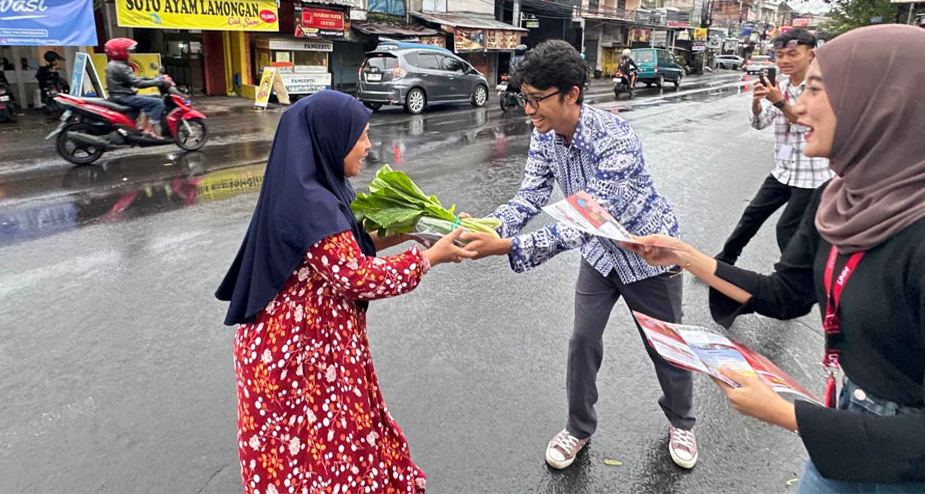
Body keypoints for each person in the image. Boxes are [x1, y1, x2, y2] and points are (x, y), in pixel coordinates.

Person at [623, 24, 925, 492]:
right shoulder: (842, 200)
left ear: (886, 107)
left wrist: (786, 414)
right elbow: (785, 295)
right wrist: (687, 256)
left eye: (817, 90)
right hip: (849, 431)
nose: (797, 107)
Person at [214, 90, 474, 494]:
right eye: (362, 136)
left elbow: (350, 245)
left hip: (313, 344)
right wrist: (428, 259)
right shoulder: (311, 203)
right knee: (313, 452)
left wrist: (414, 230)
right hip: (298, 357)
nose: (368, 147)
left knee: (332, 441)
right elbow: (357, 275)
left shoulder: (316, 188)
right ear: (331, 138)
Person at [461, 40, 697, 471]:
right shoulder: (544, 136)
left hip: (650, 256)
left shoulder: (615, 138)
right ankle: (578, 427)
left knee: (666, 346)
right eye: (524, 99)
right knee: (582, 340)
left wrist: (512, 246)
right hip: (600, 256)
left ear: (571, 94)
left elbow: (588, 219)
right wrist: (488, 226)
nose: (529, 111)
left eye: (536, 100)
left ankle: (682, 421)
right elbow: (530, 194)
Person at [715, 28, 831, 269]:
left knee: (787, 228)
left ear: (811, 54)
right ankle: (724, 262)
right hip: (784, 169)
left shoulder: (821, 88)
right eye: (779, 55)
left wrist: (779, 101)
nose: (784, 61)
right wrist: (757, 102)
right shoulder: (783, 85)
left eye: (792, 54)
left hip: (811, 176)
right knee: (751, 216)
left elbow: (806, 126)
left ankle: (798, 278)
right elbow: (760, 123)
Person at [103, 38, 165, 136]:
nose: (129, 53)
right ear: (120, 52)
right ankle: (149, 130)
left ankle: (142, 126)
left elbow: (131, 79)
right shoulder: (121, 67)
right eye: (127, 51)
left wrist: (149, 79)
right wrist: (156, 82)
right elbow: (137, 84)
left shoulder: (114, 64)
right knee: (158, 102)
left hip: (118, 95)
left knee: (153, 98)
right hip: (124, 97)